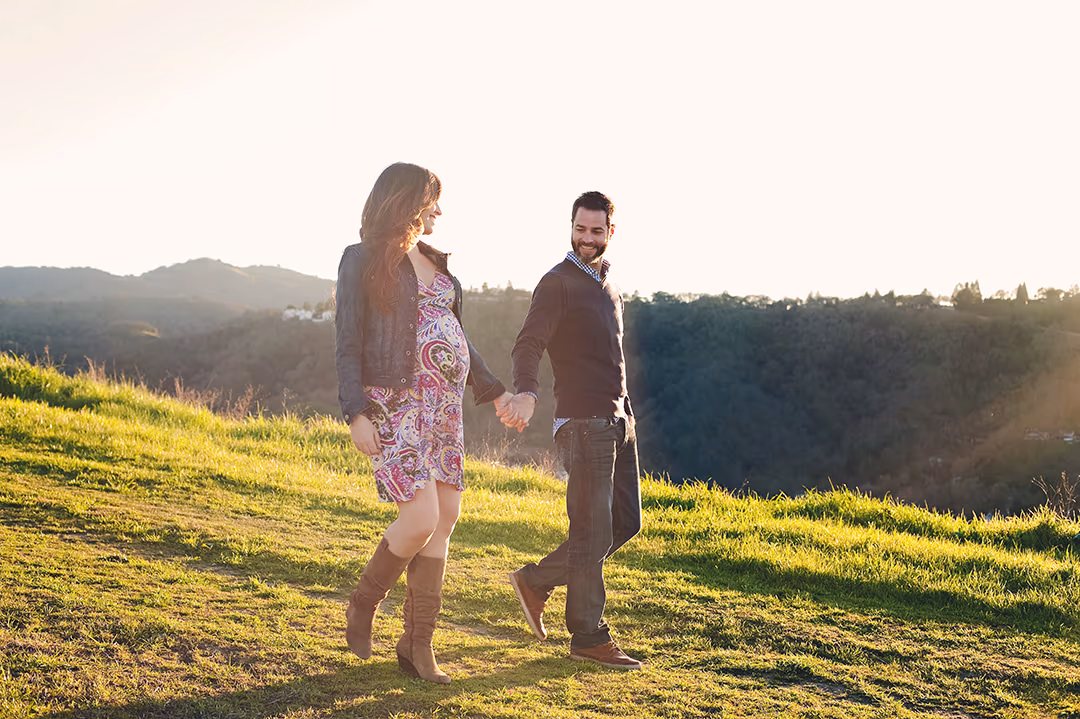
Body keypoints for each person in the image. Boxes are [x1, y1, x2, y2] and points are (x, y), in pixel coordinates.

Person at [336, 162, 512, 684]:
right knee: (419, 519)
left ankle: (417, 645)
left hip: (443, 409)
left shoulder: (435, 261)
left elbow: (456, 334)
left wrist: (495, 389)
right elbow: (347, 341)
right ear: (408, 201)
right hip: (395, 405)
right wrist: (355, 413)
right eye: (432, 200)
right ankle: (364, 602)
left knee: (446, 516)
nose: (439, 210)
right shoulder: (362, 259)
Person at [497, 191, 643, 670]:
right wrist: (526, 392)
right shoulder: (556, 283)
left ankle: (535, 581)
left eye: (596, 231)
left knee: (624, 523)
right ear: (571, 227)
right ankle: (588, 635)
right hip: (582, 423)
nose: (587, 238)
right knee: (591, 532)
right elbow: (528, 344)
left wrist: (627, 413)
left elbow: (611, 359)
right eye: (580, 229)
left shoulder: (609, 286)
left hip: (618, 421)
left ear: (610, 233)